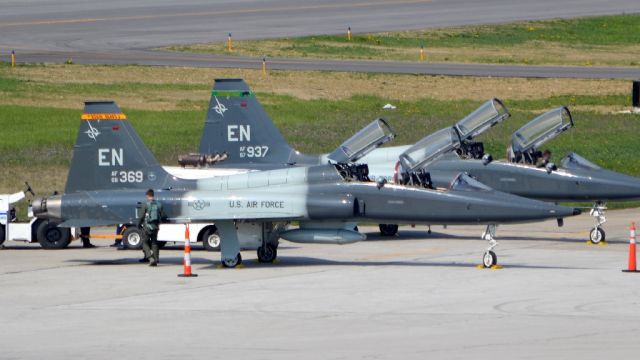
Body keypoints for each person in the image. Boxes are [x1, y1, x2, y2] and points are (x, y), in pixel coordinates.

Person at [137, 189, 165, 267]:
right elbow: (163, 216)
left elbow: (141, 216)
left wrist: (138, 224)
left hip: (147, 227)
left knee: (144, 242)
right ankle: (156, 259)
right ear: (153, 195)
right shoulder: (159, 204)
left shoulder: (145, 204)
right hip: (156, 227)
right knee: (154, 243)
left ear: (147, 196)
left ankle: (150, 258)